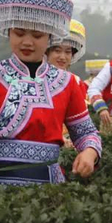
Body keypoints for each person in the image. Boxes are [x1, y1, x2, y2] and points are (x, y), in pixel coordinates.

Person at [0, 0, 101, 190]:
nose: (27, 42)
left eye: (37, 35)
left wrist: (89, 152)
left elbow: (86, 133)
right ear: (9, 32)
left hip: (50, 189)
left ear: (50, 37)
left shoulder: (66, 83)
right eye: (19, 34)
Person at [46, 19, 88, 147]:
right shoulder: (36, 79)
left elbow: (82, 121)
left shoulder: (76, 82)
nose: (63, 57)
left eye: (68, 52)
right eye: (57, 51)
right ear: (47, 52)